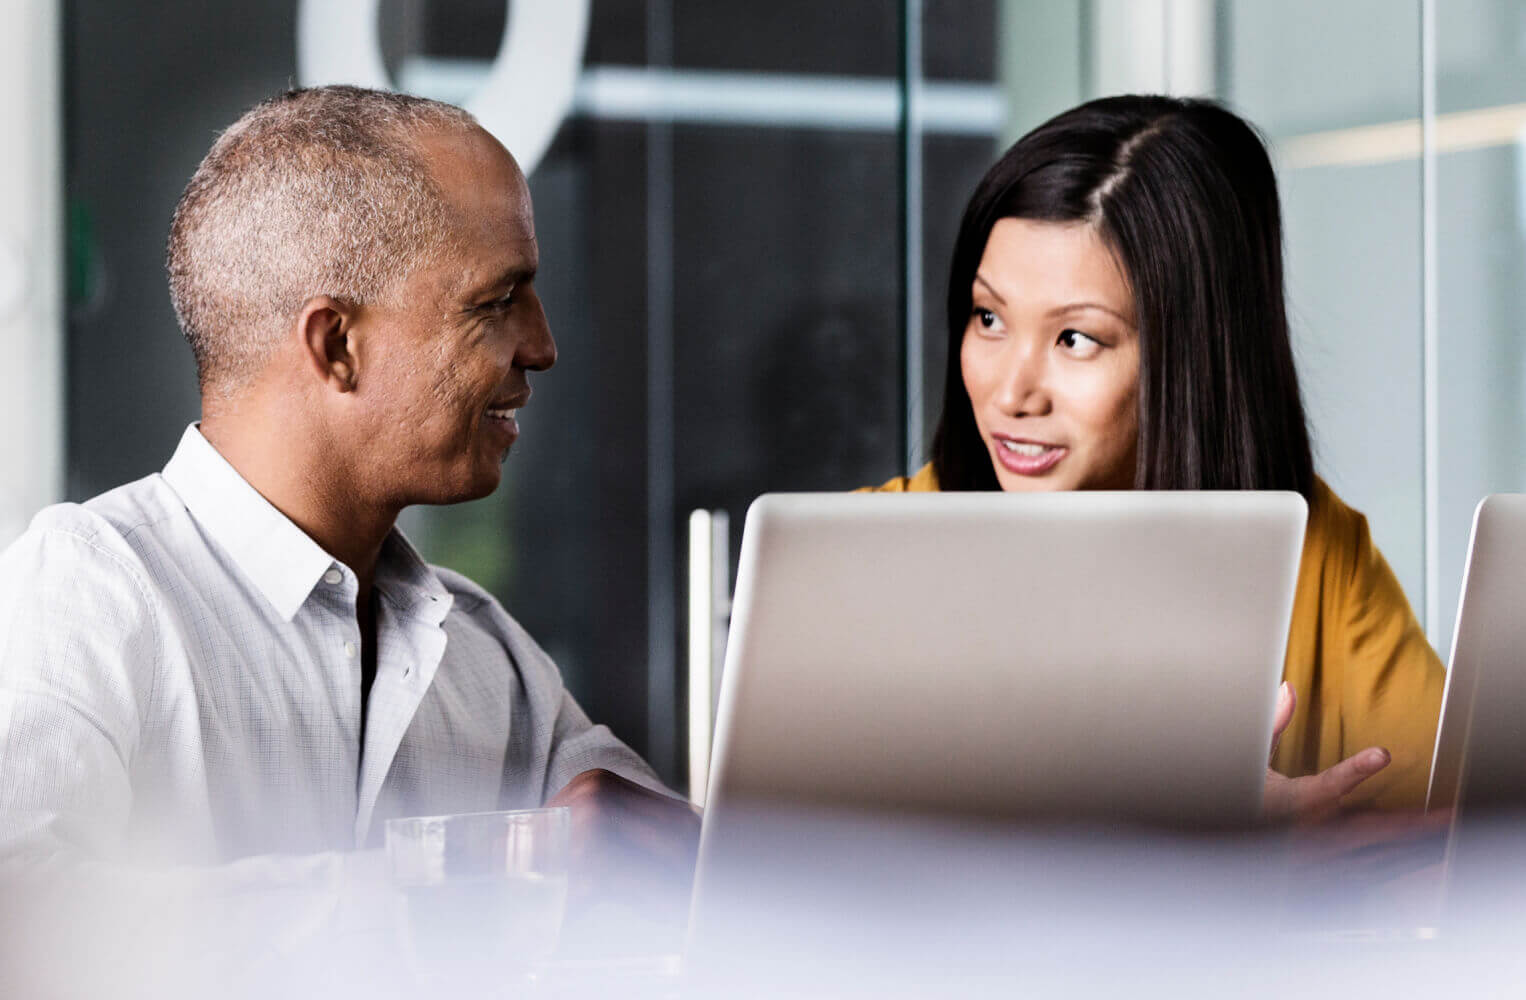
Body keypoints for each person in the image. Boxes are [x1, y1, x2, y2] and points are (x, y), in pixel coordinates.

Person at [0, 86, 697, 978]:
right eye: (498, 300)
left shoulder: (492, 660)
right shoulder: (87, 590)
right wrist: (442, 893)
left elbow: (690, 877)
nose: (542, 345)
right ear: (335, 345)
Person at [874, 95, 1443, 816]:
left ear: (1191, 360)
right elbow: (794, 880)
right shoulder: (875, 551)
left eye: (1075, 338)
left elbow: (1459, 847)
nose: (1010, 392)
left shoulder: (1318, 555)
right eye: (989, 318)